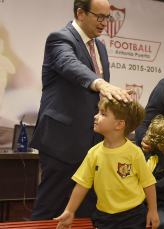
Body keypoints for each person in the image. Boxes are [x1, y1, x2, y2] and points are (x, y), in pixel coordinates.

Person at [29, 0, 134, 220]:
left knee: (87, 210)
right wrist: (101, 83)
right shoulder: (60, 38)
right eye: (100, 17)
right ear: (80, 13)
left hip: (93, 144)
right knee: (50, 208)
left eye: (108, 17)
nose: (105, 23)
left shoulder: (100, 47)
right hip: (62, 141)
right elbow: (69, 64)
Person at [54, 98, 159, 229]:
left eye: (103, 114)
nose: (96, 116)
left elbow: (148, 183)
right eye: (99, 112)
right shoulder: (93, 153)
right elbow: (82, 184)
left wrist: (153, 211)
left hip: (133, 215)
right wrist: (69, 211)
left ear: (119, 124)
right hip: (103, 216)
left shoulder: (135, 153)